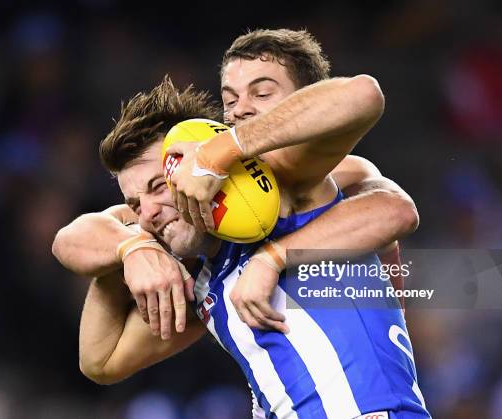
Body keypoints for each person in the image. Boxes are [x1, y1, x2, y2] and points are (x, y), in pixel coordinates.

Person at [53, 29, 429, 418]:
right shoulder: (197, 275)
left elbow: (365, 101)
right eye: (134, 203)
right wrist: (132, 251)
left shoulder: (280, 187)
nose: (145, 212)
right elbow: (99, 356)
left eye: (157, 186)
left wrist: (268, 251)